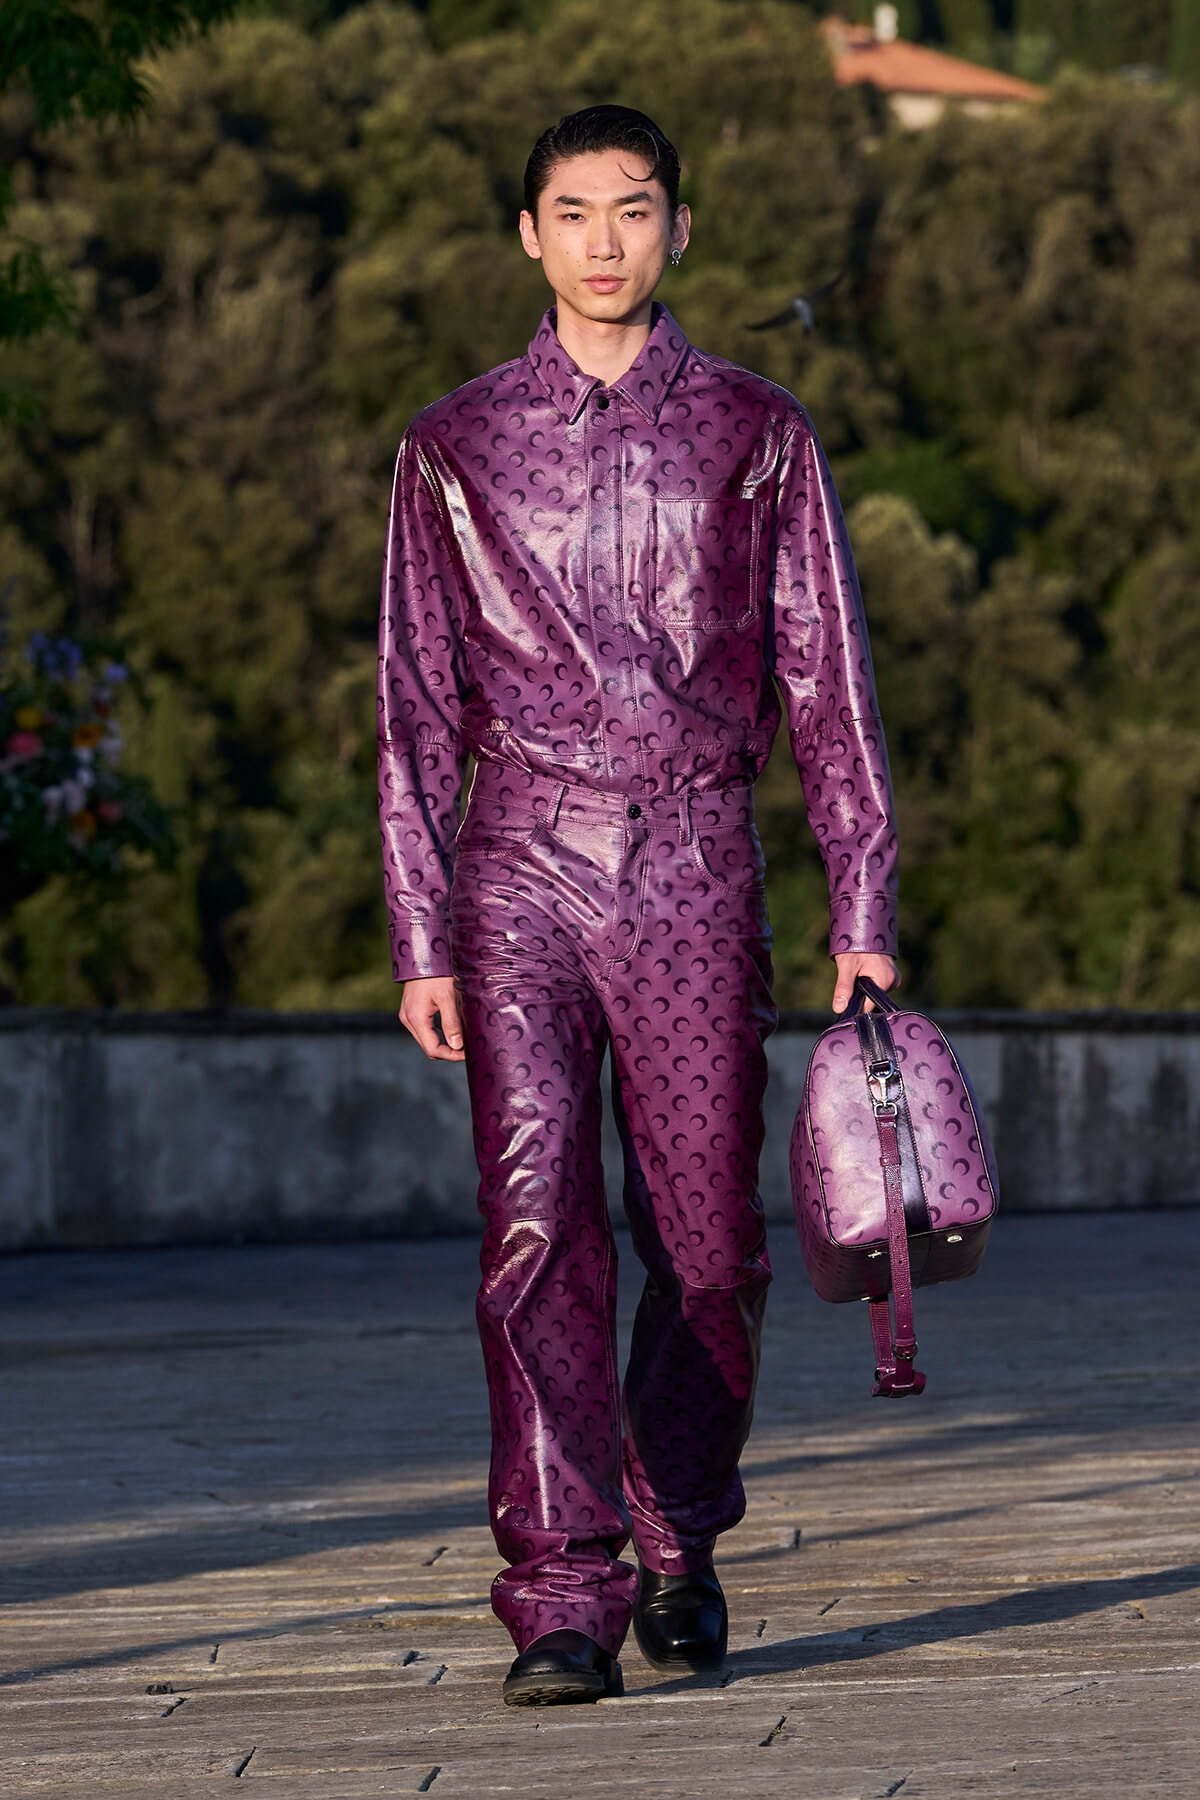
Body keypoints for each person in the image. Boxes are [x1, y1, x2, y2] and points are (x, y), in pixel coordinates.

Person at [378, 104, 899, 1708]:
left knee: (711, 1248)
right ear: (526, 235)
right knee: (536, 1229)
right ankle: (560, 1590)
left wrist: (861, 908)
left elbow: (828, 678)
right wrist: (418, 929)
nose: (604, 237)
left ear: (684, 228)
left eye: (634, 208)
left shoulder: (757, 428)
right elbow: (411, 695)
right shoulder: (452, 444)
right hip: (517, 860)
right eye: (571, 210)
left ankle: (681, 1531)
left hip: (691, 856)